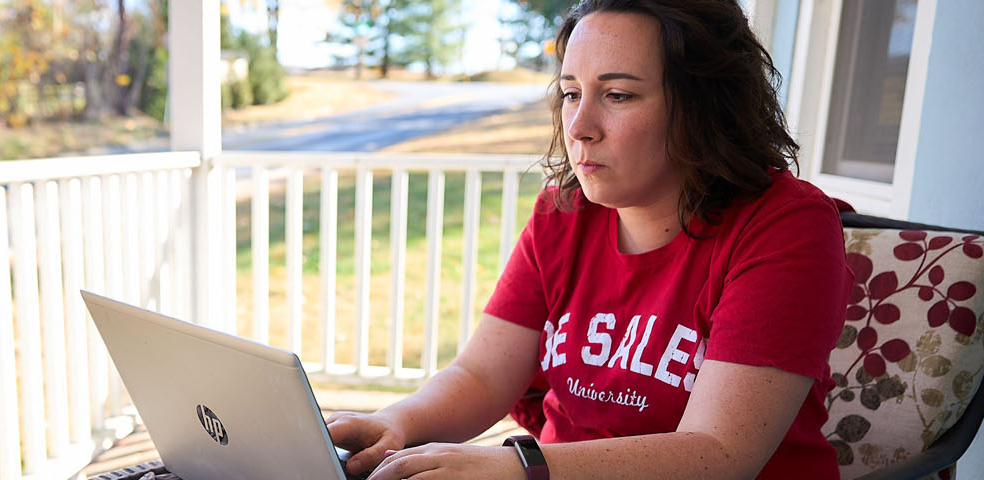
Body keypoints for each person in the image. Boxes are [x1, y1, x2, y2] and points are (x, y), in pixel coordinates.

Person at [325, 1, 852, 479]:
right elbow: (483, 376)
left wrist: (518, 468)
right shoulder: (563, 213)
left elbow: (719, 453)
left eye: (618, 95)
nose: (578, 126)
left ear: (705, 105)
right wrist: (396, 422)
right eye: (571, 93)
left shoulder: (786, 226)